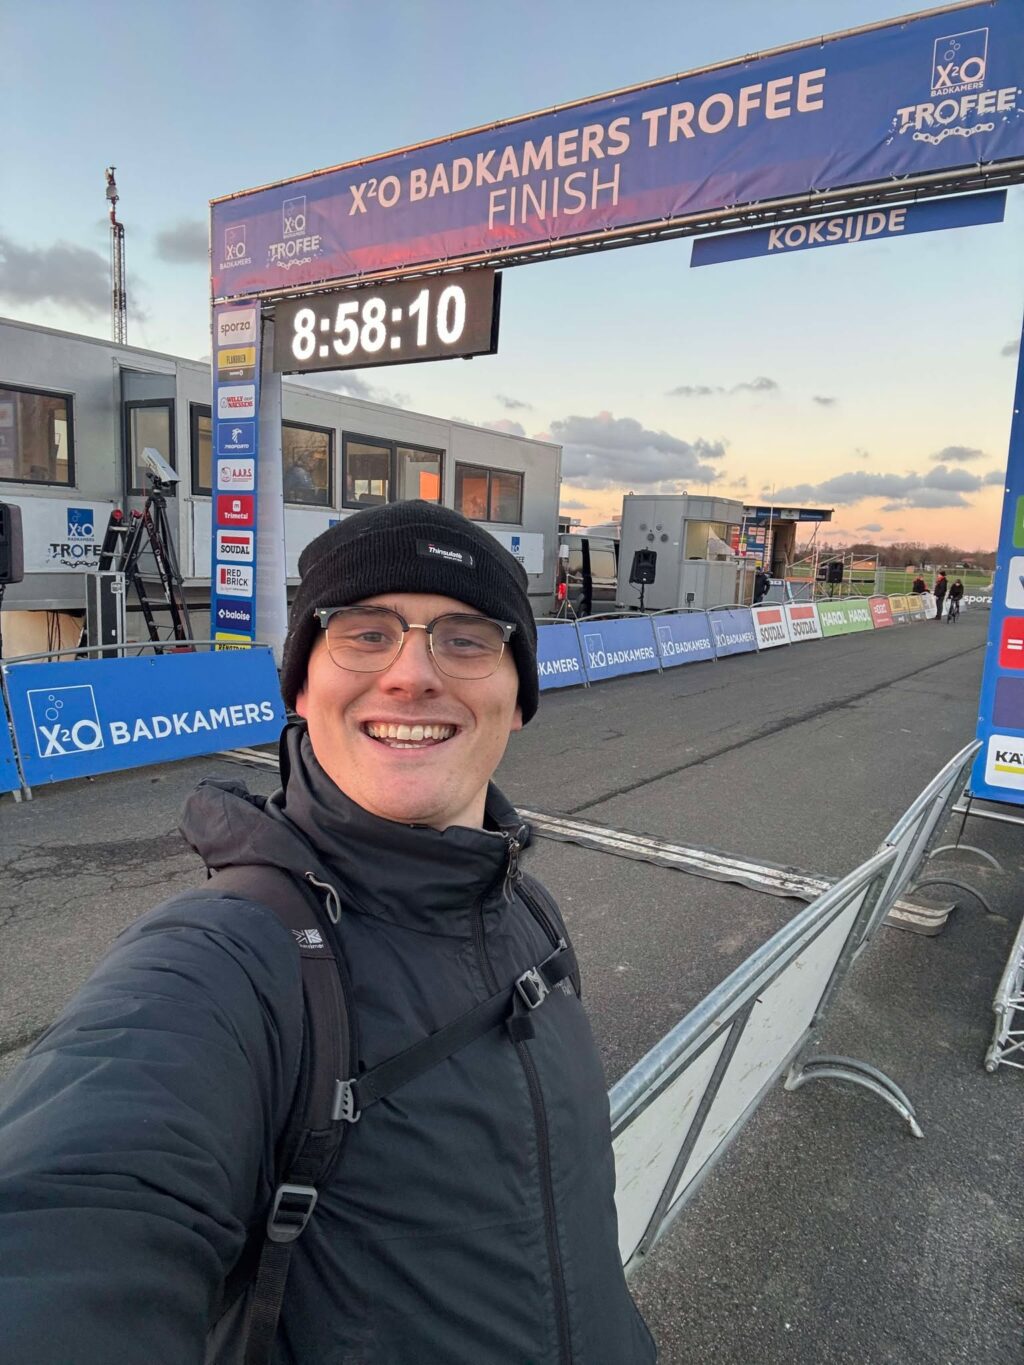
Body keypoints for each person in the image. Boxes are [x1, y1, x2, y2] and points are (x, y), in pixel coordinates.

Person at [0, 500, 656, 1365]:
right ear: (302, 686)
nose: (412, 675)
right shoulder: (227, 960)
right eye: (365, 632)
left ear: (519, 697)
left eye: (465, 638)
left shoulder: (528, 914)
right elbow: (70, 1221)